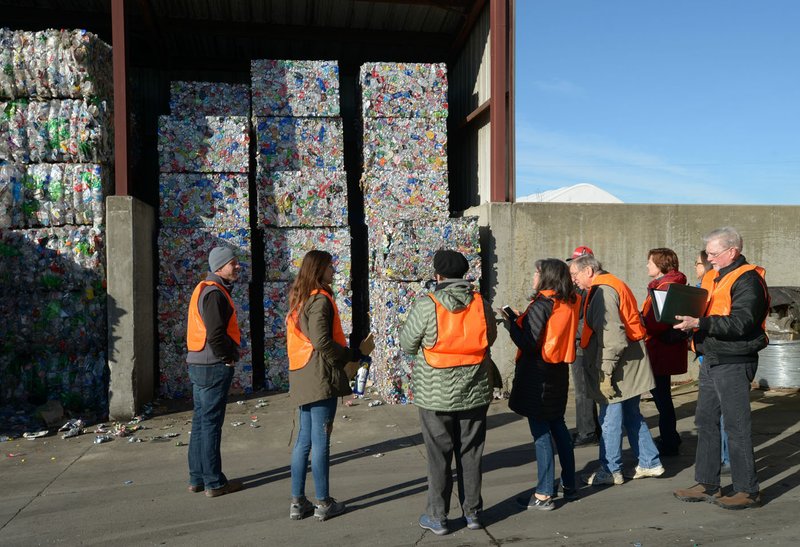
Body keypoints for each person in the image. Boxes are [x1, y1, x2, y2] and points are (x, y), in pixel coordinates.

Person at [399, 250, 497, 536]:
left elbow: (407, 344)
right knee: (471, 453)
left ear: (438, 277)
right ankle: (474, 514)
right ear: (464, 275)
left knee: (438, 457)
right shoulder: (481, 303)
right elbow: (488, 338)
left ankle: (438, 517)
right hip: (475, 391)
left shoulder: (427, 304)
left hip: (435, 394)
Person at [673, 227, 769, 510]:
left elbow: (742, 323)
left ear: (733, 251)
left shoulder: (749, 280)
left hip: (734, 361)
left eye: (714, 254)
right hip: (711, 358)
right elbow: (703, 311)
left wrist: (700, 324)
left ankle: (747, 490)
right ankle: (707, 483)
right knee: (705, 421)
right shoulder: (712, 277)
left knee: (736, 426)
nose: (709, 259)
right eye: (709, 254)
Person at [286, 250, 375, 521]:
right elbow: (322, 342)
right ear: (319, 270)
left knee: (303, 441)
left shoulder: (300, 300)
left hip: (302, 373)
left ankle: (298, 502)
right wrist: (351, 355)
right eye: (330, 267)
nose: (333, 272)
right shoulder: (320, 301)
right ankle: (323, 502)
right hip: (318, 375)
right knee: (320, 440)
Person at [568, 254, 664, 486]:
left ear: (589, 271)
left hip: (618, 364)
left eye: (575, 275)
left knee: (610, 418)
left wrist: (606, 373)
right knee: (631, 414)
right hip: (630, 360)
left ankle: (611, 470)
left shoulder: (603, 291)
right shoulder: (611, 284)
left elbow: (612, 337)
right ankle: (650, 462)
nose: (573, 280)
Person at [504, 259, 581, 510]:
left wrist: (510, 325)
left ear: (546, 276)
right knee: (558, 426)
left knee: (541, 433)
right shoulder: (568, 301)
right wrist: (522, 320)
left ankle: (544, 493)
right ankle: (569, 485)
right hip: (557, 370)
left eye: (536, 272)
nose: (533, 277)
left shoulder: (542, 305)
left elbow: (529, 343)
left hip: (538, 373)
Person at [186, 246, 244, 498]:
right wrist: (228, 357)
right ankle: (214, 482)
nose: (238, 267)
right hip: (212, 365)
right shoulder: (214, 293)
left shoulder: (204, 289)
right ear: (220, 267)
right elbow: (216, 334)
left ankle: (197, 478)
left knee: (200, 422)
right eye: (233, 263)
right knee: (210, 424)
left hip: (199, 362)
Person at [641, 248, 689, 457]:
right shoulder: (670, 285)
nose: (647, 266)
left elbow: (656, 322)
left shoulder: (664, 287)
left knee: (661, 398)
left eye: (650, 262)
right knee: (663, 397)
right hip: (664, 349)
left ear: (660, 265)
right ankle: (671, 437)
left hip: (659, 350)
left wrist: (638, 320)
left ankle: (669, 440)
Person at [695, 251, 730, 474]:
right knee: (709, 413)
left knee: (724, 410)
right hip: (706, 350)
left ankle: (727, 457)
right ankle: (717, 460)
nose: (697, 266)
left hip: (721, 354)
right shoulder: (705, 284)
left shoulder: (717, 285)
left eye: (699, 263)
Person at [566, 246, 600, 446]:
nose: (573, 268)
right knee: (586, 391)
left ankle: (587, 433)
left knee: (583, 392)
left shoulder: (589, 291)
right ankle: (590, 430)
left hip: (582, 345)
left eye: (576, 264)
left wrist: (568, 331)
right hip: (581, 344)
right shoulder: (579, 289)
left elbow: (585, 321)